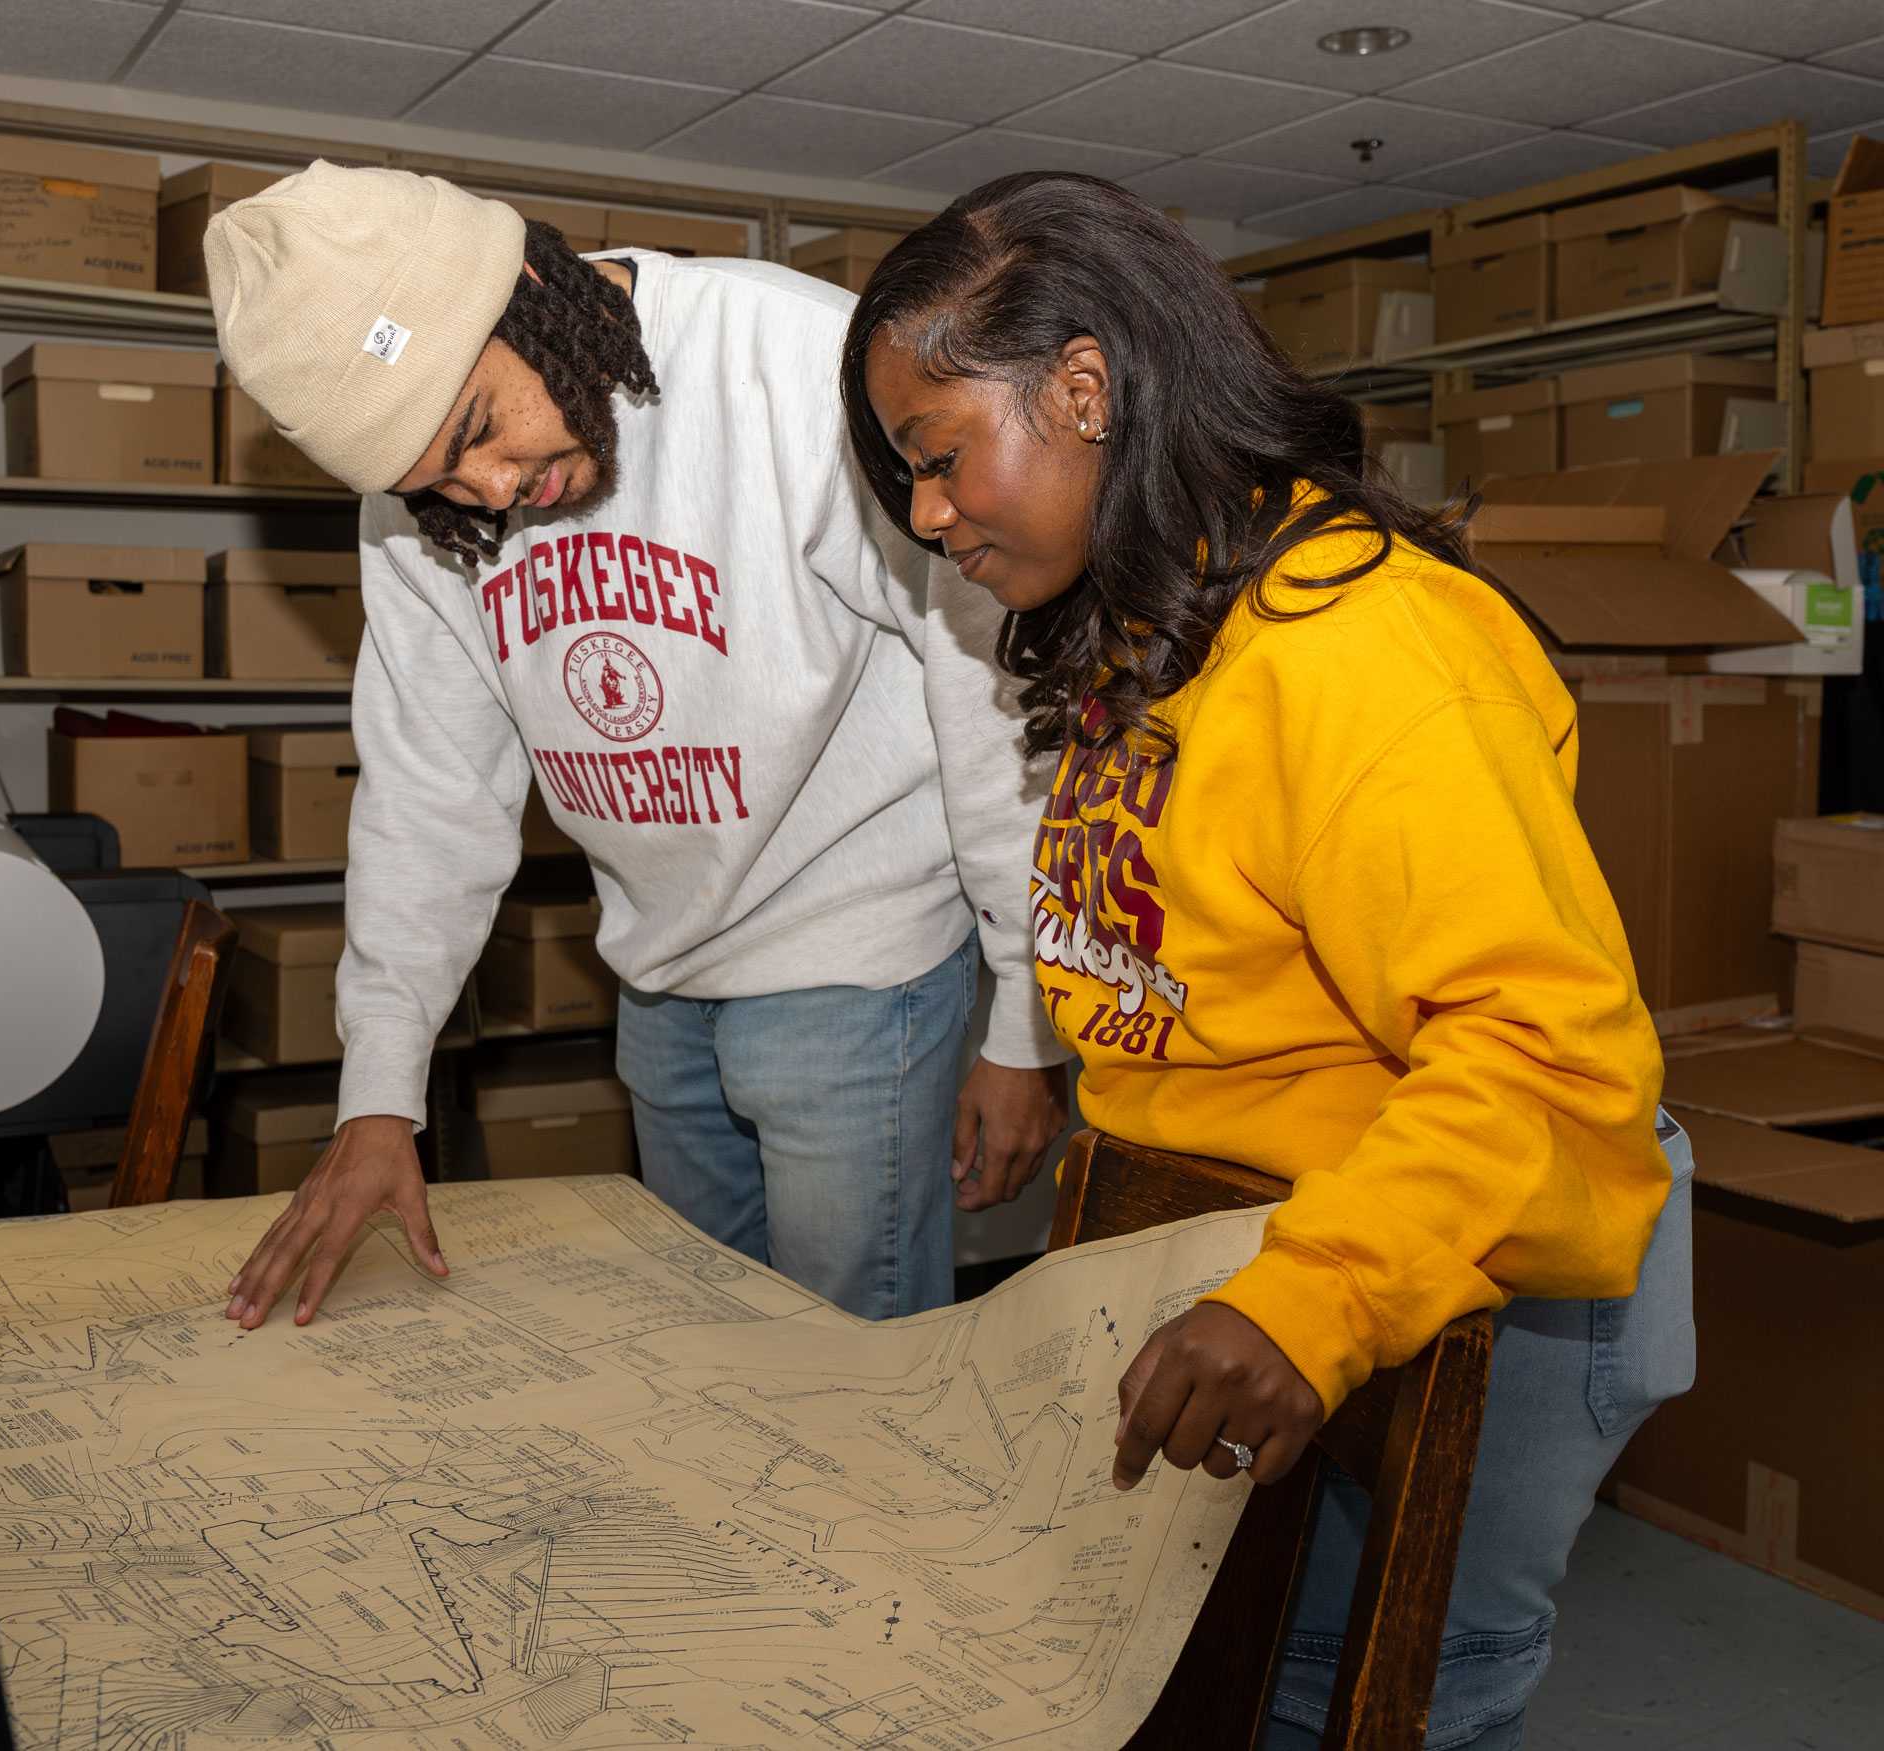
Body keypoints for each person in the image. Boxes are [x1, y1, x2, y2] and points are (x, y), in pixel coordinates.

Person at [839, 171, 1695, 1750]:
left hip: (1455, 1250)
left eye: (941, 459)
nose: (926, 516)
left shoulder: (1364, 652)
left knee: (1370, 1693)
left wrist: (1316, 1297)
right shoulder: (1160, 620)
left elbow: (1544, 1053)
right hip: (1278, 1250)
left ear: (1086, 389)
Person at [203, 163, 1074, 1330]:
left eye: (480, 428)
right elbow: (428, 794)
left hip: (853, 965)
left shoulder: (794, 366)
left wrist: (1028, 1022)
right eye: (436, 482)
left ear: (523, 290)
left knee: (851, 1381)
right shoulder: (430, 506)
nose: (496, 491)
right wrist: (379, 1095)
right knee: (706, 1354)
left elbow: (989, 690)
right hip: (658, 978)